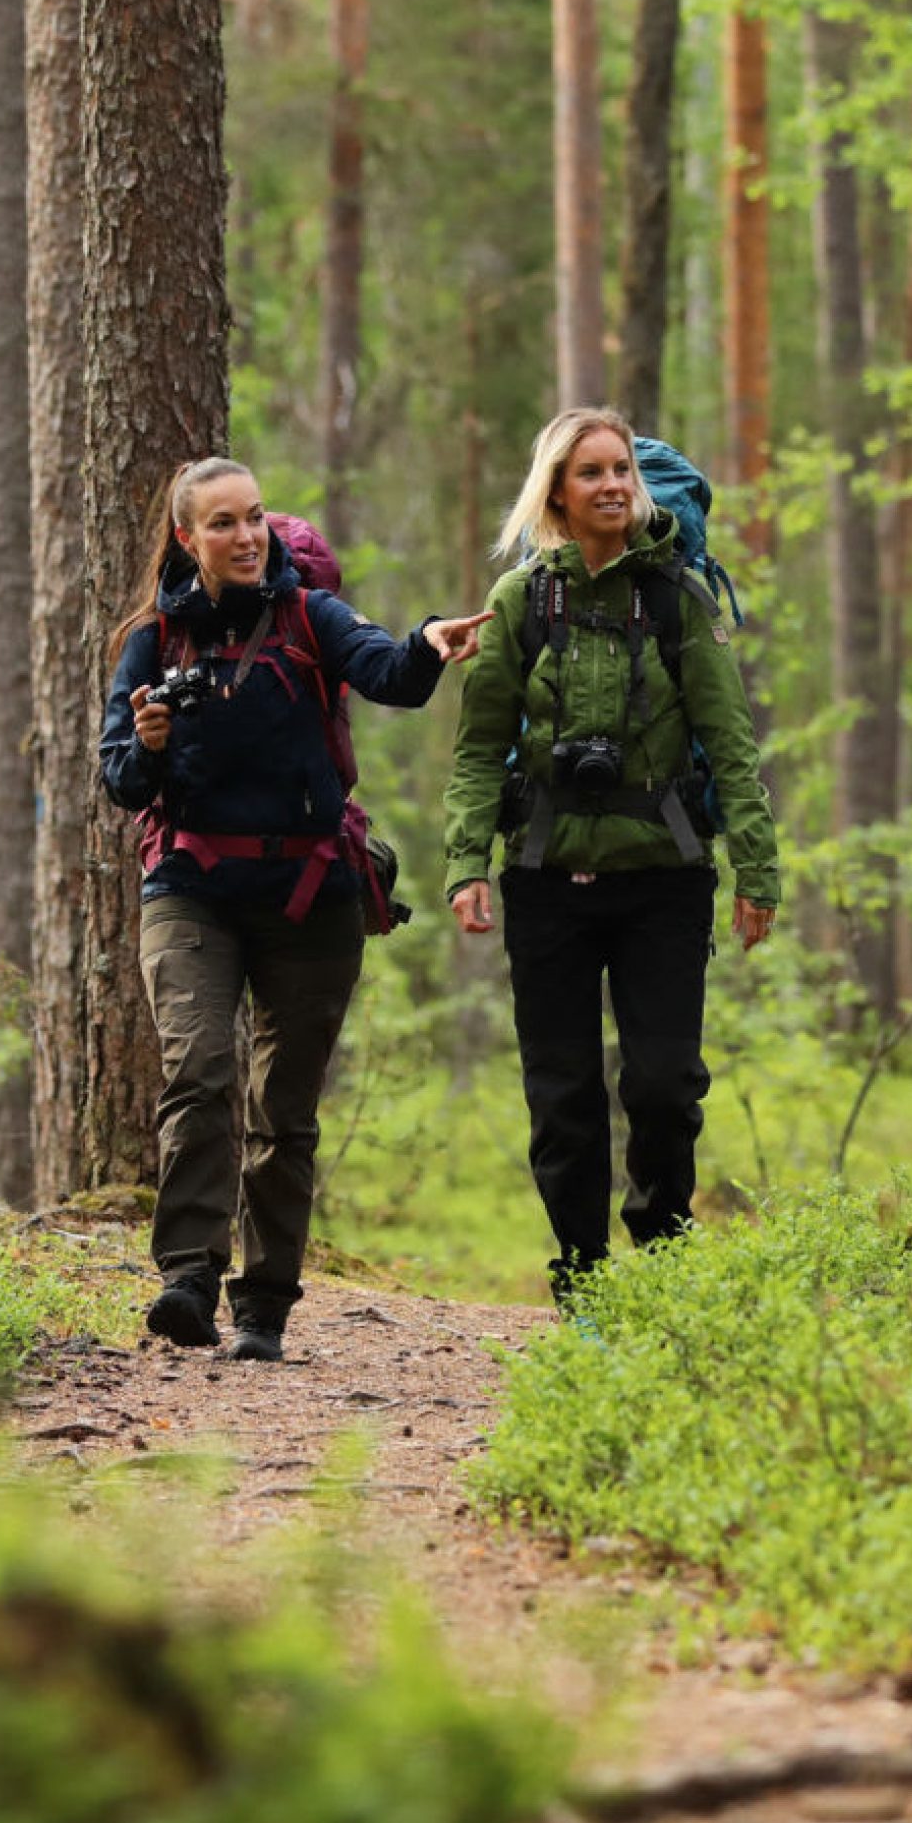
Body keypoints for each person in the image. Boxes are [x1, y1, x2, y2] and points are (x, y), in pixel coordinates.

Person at [102, 457, 492, 1361]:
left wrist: (429, 640)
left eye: (254, 520)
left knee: (286, 1109)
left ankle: (265, 1305)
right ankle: (188, 1279)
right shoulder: (153, 640)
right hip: (191, 889)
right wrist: (150, 742)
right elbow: (121, 780)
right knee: (199, 1070)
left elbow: (386, 670)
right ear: (186, 538)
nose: (246, 537)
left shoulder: (310, 616)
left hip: (307, 894)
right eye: (224, 524)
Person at [440, 408, 779, 1308]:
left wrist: (757, 869)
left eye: (622, 469)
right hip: (547, 878)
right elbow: (479, 750)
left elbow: (730, 742)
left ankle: (662, 1263)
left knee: (664, 1085)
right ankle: (583, 1281)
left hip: (664, 881)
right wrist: (467, 864)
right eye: (591, 472)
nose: (614, 485)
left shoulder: (676, 599)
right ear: (556, 491)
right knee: (564, 1098)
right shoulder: (523, 601)